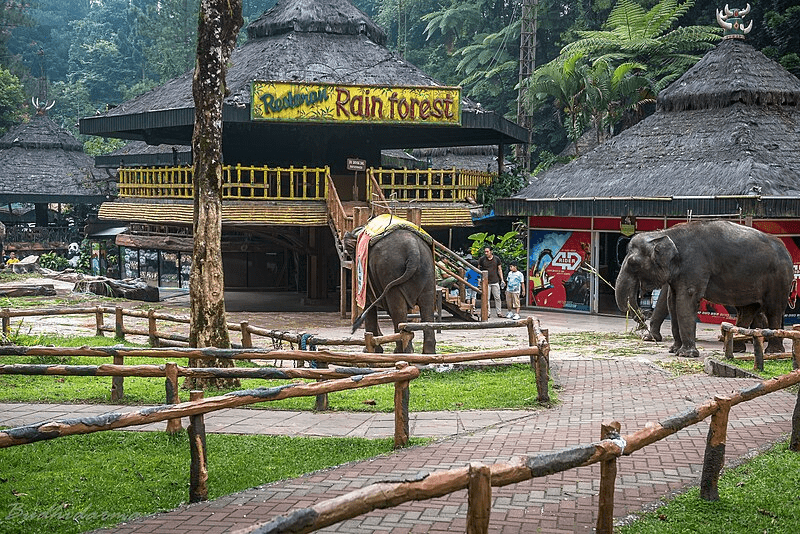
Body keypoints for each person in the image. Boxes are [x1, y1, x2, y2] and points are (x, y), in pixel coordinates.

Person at [478, 246, 504, 317]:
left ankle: (499, 312)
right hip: (486, 282)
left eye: (487, 251)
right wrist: (479, 279)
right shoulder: (482, 259)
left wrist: (502, 279)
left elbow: (499, 269)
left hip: (495, 280)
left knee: (497, 297)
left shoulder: (496, 259)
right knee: (487, 298)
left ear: (491, 251)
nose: (486, 253)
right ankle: (488, 312)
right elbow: (478, 269)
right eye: (485, 251)